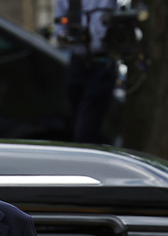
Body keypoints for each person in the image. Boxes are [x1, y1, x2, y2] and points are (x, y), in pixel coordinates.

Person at [53, 0, 117, 144]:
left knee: (87, 125)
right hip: (78, 62)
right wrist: (65, 36)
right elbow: (59, 29)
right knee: (77, 120)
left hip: (103, 62)